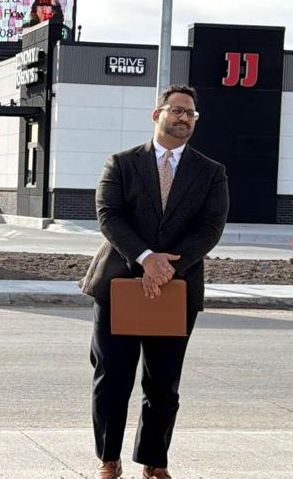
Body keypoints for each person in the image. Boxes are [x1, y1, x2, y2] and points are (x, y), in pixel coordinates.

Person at [79, 84, 229, 479]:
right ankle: (108, 460)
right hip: (118, 286)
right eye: (177, 110)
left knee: (163, 383)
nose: (184, 118)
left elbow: (210, 228)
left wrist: (165, 270)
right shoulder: (122, 163)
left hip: (175, 290)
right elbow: (108, 214)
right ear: (157, 114)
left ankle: (154, 463)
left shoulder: (211, 173)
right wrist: (146, 259)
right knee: (112, 378)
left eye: (191, 114)